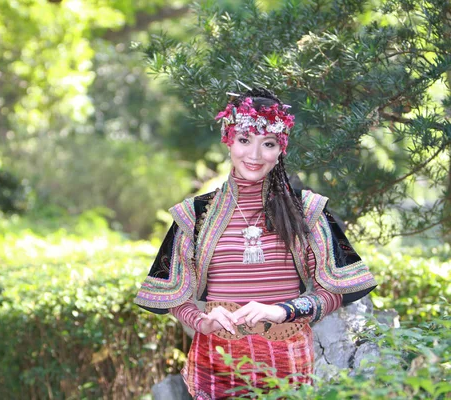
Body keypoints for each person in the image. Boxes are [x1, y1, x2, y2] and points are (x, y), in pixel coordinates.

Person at [134, 87, 378, 399]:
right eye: (245, 140)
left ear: (281, 149)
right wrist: (201, 320)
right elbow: (172, 295)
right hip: (217, 366)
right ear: (228, 140)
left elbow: (335, 292)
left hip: (287, 365)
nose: (254, 155)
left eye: (268, 144)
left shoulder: (307, 210)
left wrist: (284, 310)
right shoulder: (194, 215)